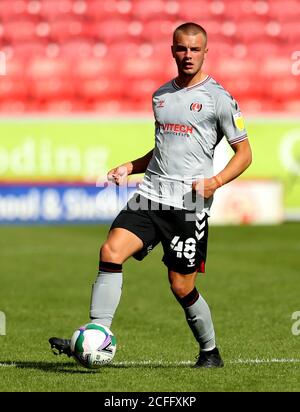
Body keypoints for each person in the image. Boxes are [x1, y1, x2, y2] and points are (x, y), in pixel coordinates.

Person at [49, 22, 252, 368]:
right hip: (150, 195)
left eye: (195, 49)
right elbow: (164, 149)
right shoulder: (161, 96)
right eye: (181, 48)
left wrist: (215, 182)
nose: (188, 55)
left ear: (205, 52)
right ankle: (97, 332)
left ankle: (210, 351)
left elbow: (245, 154)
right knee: (111, 250)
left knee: (180, 286)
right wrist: (131, 166)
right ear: (172, 50)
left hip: (189, 207)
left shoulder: (219, 99)